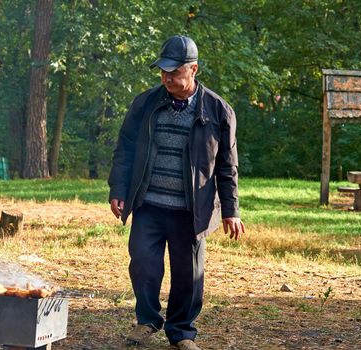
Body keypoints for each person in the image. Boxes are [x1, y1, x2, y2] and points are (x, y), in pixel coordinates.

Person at [108, 35, 245, 350]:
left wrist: (231, 209)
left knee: (188, 275)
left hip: (191, 210)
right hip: (148, 203)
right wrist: (118, 188)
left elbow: (227, 166)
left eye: (174, 71)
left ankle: (182, 332)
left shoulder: (219, 111)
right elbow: (125, 149)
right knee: (143, 264)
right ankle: (147, 321)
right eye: (163, 71)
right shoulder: (145, 104)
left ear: (193, 69)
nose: (167, 77)